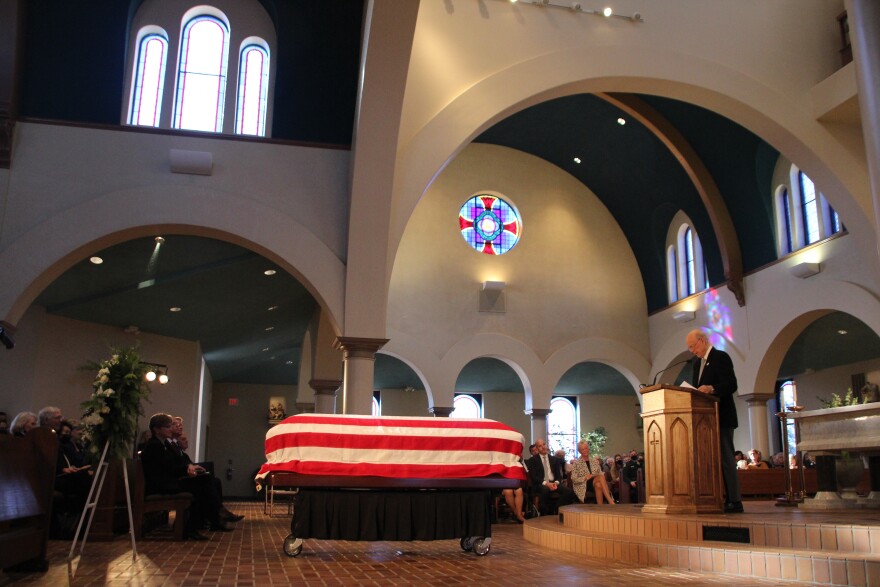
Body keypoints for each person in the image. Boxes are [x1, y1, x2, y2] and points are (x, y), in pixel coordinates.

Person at [140, 413, 230, 540]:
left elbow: (171, 465)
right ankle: (198, 523)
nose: (171, 429)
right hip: (160, 485)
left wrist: (188, 468)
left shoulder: (162, 444)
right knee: (201, 483)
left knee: (203, 480)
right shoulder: (154, 445)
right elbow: (168, 468)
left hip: (166, 482)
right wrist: (186, 470)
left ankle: (205, 520)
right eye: (167, 426)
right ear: (157, 429)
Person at [685, 328, 743, 514]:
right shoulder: (696, 365)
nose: (692, 351)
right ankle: (713, 497)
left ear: (702, 341)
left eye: (693, 346)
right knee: (709, 461)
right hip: (703, 421)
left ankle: (734, 500)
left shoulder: (720, 357)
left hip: (722, 417)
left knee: (726, 459)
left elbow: (731, 384)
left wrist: (712, 388)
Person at [526, 438, 575, 515]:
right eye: (540, 446)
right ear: (537, 448)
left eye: (544, 444)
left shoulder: (554, 459)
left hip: (554, 483)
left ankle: (556, 509)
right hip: (541, 484)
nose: (543, 447)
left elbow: (559, 476)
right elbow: (534, 477)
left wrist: (555, 483)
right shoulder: (533, 460)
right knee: (545, 490)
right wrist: (546, 483)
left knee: (568, 492)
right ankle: (544, 514)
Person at [570, 440, 615, 505]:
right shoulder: (576, 463)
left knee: (598, 484)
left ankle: (600, 507)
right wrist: (585, 477)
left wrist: (592, 475)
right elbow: (574, 479)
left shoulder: (595, 461)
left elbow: (600, 473)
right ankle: (610, 501)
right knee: (600, 477)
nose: (585, 450)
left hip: (595, 482)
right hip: (583, 484)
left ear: (588, 449)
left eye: (586, 448)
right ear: (579, 451)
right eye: (582, 449)